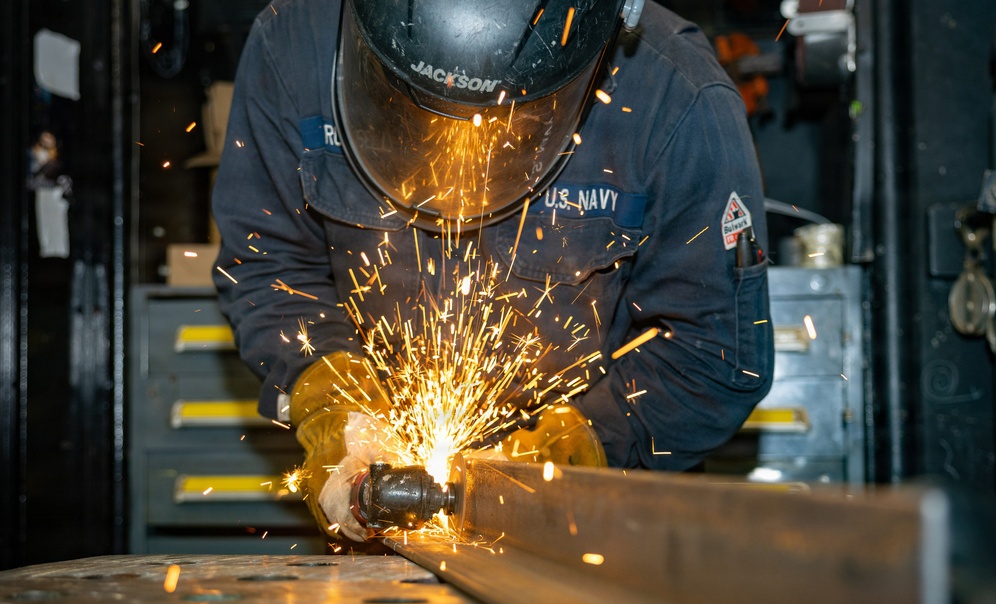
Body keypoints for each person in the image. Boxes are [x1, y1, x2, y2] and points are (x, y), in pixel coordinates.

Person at [212, 0, 774, 543]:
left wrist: (574, 444)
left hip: (593, 529)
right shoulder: (296, 43)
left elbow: (714, 352)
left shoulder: (675, 94)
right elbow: (269, 264)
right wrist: (335, 406)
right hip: (379, 532)